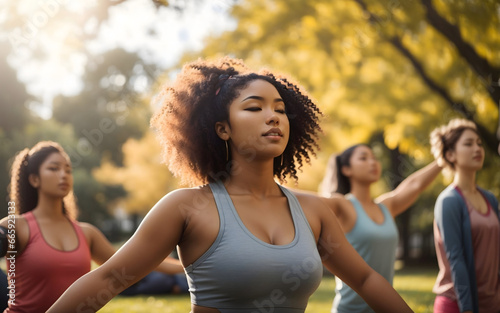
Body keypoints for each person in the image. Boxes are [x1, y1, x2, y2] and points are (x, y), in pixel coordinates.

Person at [47, 57, 413, 313]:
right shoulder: (185, 208)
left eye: (280, 109)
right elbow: (110, 278)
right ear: (222, 129)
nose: (273, 117)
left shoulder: (314, 210)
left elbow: (365, 279)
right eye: (254, 108)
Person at [0, 141, 184, 313]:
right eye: (53, 168)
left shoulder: (87, 233)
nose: (63, 174)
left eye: (68, 170)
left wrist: (185, 265)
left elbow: (136, 261)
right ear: (34, 180)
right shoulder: (16, 226)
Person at [317, 144, 442, 313]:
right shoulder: (342, 205)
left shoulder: (386, 206)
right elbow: (307, 202)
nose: (373, 162)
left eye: (374, 158)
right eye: (363, 158)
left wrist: (442, 159)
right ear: (346, 169)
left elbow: (415, 185)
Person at [430, 119, 500, 313]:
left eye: (479, 143)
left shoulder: (490, 199)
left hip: (492, 304)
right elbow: (456, 260)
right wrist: (468, 308)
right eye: (468, 144)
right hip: (458, 305)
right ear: (450, 154)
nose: (477, 148)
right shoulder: (449, 201)